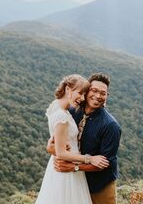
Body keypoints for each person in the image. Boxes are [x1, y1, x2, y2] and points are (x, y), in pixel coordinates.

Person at [35, 74, 109, 204]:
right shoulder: (61, 116)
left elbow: (58, 141)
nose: (81, 98)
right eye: (80, 93)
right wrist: (90, 158)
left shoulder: (56, 106)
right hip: (66, 167)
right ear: (68, 89)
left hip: (67, 165)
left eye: (83, 94)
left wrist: (53, 146)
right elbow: (62, 152)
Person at [48, 73, 122, 204]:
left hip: (99, 185)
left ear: (107, 97)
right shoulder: (72, 111)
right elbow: (59, 141)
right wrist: (51, 148)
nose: (98, 96)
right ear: (86, 92)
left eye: (103, 93)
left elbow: (104, 164)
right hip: (75, 180)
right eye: (94, 90)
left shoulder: (111, 126)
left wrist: (73, 167)